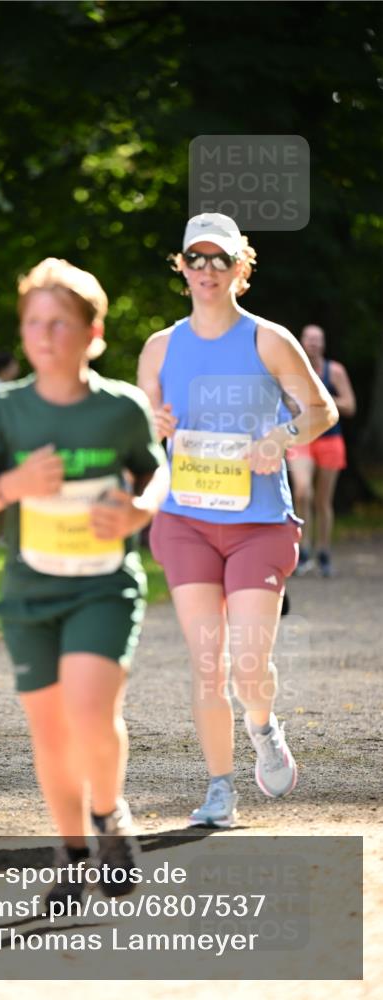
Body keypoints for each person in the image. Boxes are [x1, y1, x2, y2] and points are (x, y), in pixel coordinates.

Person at [0, 258, 169, 900]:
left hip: (102, 585)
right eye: (33, 323)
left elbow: (156, 475)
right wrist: (10, 485)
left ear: (93, 333)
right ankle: (72, 851)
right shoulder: (5, 412)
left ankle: (111, 815)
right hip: (29, 592)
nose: (44, 336)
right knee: (50, 728)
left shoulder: (122, 408)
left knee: (90, 709)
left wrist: (138, 509)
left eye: (60, 323)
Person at [138, 213, 338, 828]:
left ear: (240, 270)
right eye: (194, 259)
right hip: (186, 521)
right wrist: (153, 427)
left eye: (219, 259)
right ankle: (220, 787)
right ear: (181, 267)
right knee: (207, 661)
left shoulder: (268, 339)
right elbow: (141, 429)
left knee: (249, 665)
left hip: (258, 523)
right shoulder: (160, 347)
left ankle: (263, 724)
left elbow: (321, 410)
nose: (206, 270)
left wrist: (279, 437)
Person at [285, 324, 356, 577]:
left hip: (330, 440)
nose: (313, 344)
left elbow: (349, 405)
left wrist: (321, 399)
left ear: (323, 344)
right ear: (302, 341)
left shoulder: (334, 371)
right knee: (303, 492)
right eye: (309, 339)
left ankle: (323, 550)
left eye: (318, 339)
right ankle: (302, 550)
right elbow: (284, 402)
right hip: (302, 438)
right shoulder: (293, 369)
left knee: (323, 501)